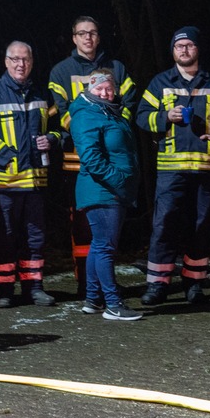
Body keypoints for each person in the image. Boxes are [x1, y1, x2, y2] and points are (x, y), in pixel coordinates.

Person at [136, 26, 210, 305]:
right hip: (171, 168)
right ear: (173, 51)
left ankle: (194, 283)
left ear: (197, 49)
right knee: (164, 224)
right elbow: (141, 116)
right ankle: (158, 284)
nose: (184, 50)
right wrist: (163, 117)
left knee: (201, 225)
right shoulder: (160, 82)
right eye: (178, 46)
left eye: (189, 45)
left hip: (208, 167)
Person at [48, 16, 138, 296]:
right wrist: (89, 132)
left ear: (99, 37)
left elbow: (129, 103)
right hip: (77, 160)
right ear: (73, 38)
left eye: (93, 33)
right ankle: (85, 282)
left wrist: (113, 129)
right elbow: (62, 112)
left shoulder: (118, 68)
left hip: (112, 158)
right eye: (82, 33)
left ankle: (99, 285)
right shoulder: (61, 71)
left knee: (107, 232)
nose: (88, 38)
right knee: (82, 228)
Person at [0, 41, 61, 308]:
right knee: (5, 237)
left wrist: (53, 139)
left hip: (35, 182)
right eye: (15, 59)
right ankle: (4, 291)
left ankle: (34, 288)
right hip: (5, 183)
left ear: (32, 62)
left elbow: (59, 127)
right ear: (6, 62)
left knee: (35, 238)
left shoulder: (42, 93)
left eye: (26, 60)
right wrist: (7, 157)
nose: (21, 64)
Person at [69, 69, 143, 320]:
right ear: (90, 88)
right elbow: (90, 157)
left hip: (111, 191)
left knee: (99, 245)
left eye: (109, 88)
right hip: (102, 191)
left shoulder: (109, 111)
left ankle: (93, 299)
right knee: (105, 247)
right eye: (99, 88)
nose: (105, 92)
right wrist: (119, 179)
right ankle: (113, 303)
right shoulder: (86, 114)